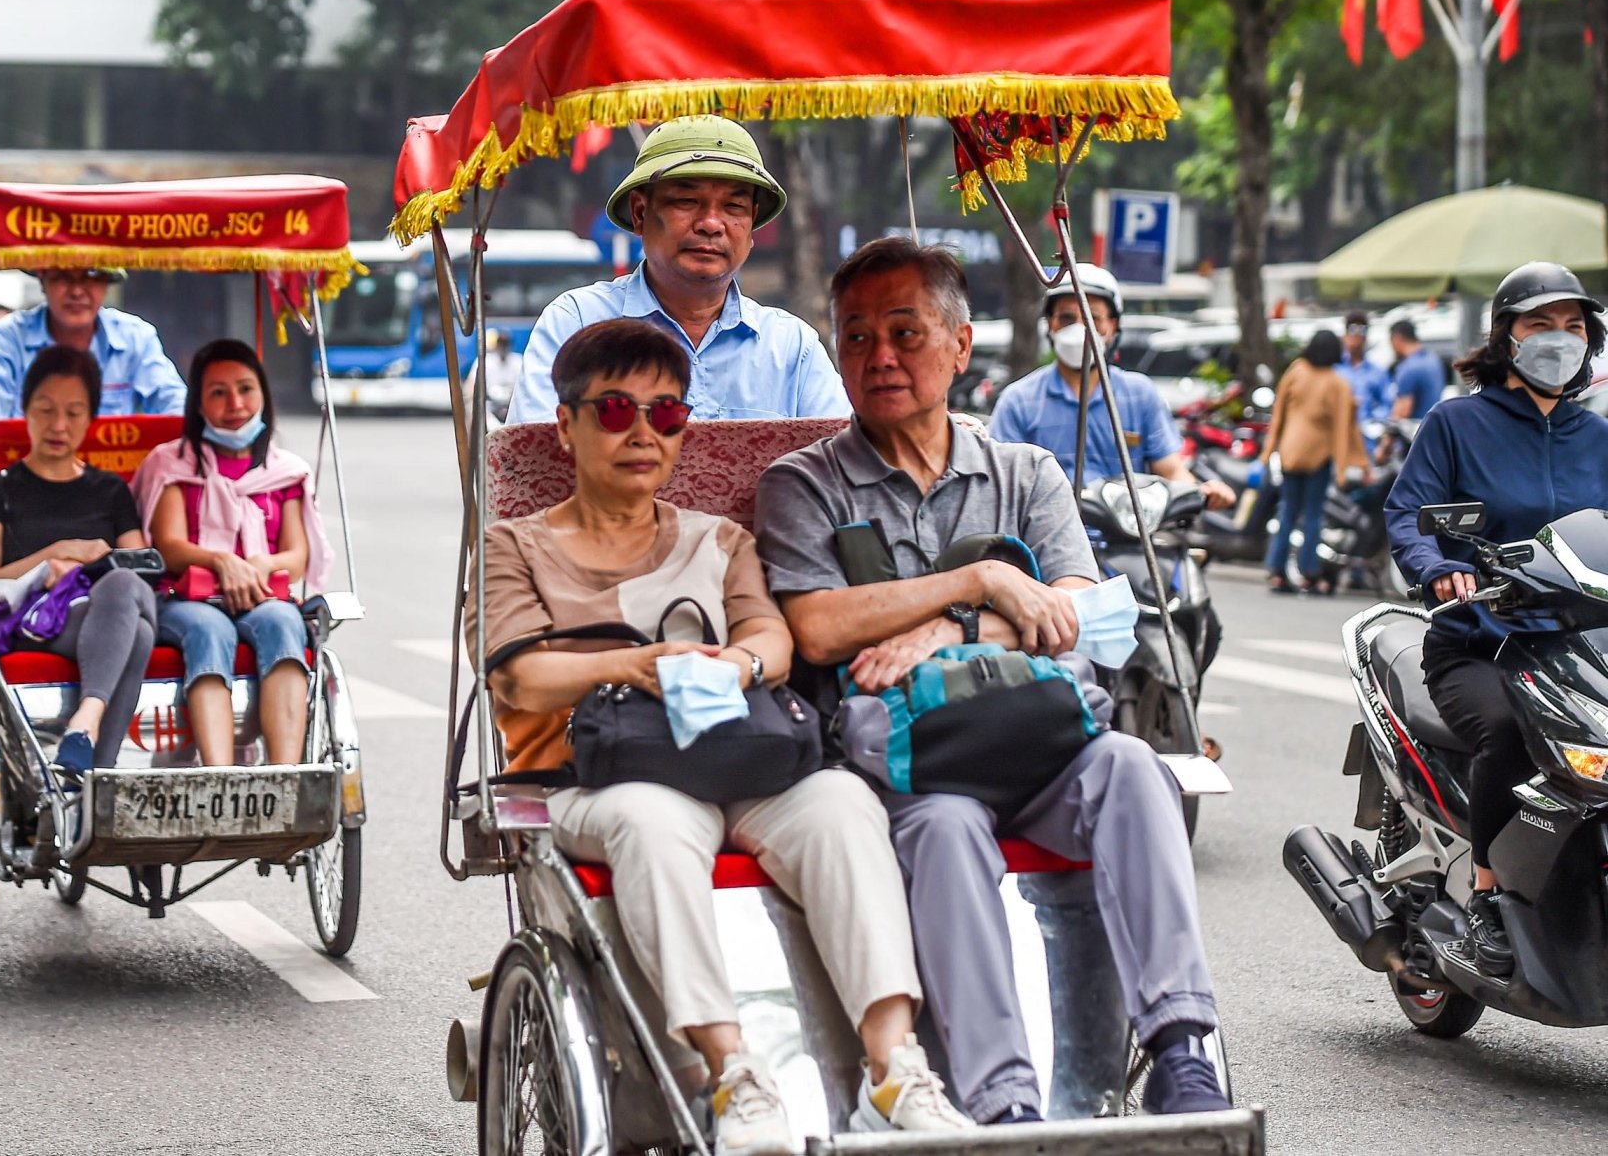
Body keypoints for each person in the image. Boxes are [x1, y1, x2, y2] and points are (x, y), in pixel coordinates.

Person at [754, 238, 1228, 1123]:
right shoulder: (805, 484)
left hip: (1046, 744)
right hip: (913, 765)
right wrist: (984, 580)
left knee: (1135, 766)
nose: (880, 356)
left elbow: (1083, 612)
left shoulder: (1024, 473)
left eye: (906, 331)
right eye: (856, 338)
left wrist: (948, 624)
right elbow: (819, 627)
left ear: (961, 346)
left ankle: (1179, 1048)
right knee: (943, 830)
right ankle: (1001, 1098)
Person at [478, 318, 970, 1148]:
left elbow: (772, 639)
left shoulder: (719, 538)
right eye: (616, 411)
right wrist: (633, 669)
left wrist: (733, 665)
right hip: (589, 778)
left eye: (667, 416)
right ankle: (731, 1075)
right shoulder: (514, 545)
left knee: (844, 804)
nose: (644, 433)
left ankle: (894, 1068)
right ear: (565, 424)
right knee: (654, 821)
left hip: (741, 761)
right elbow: (516, 674)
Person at [1386, 261, 1608, 979]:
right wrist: (1438, 568)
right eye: (1541, 324)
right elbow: (1407, 513)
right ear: (1506, 337)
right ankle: (1486, 893)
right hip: (1480, 644)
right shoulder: (1458, 422)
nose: (1559, 339)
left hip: (1581, 647)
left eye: (1573, 326)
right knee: (1514, 736)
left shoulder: (1595, 434)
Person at [507, 116, 849, 424]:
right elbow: (534, 468)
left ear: (751, 228)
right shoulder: (576, 323)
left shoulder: (791, 347)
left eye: (734, 206)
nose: (711, 224)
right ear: (640, 213)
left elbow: (839, 473)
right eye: (686, 202)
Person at [133, 340, 333, 769]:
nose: (235, 403)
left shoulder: (286, 472)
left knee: (283, 622)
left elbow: (295, 555)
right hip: (185, 600)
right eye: (218, 392)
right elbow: (168, 546)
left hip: (260, 597)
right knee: (210, 630)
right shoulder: (170, 463)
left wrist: (261, 566)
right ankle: (221, 774)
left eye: (245, 389)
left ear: (263, 395)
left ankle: (285, 775)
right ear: (199, 404)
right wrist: (222, 562)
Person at [0, 346, 158, 776]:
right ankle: (98, 772)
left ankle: (82, 758)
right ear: (25, 410)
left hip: (107, 610)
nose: (58, 425)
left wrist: (93, 564)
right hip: (33, 621)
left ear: (90, 418)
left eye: (74, 412)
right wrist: (54, 554)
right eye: (46, 409)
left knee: (129, 599)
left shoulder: (110, 490)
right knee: (136, 627)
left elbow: (139, 564)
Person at [990, 262, 1234, 508]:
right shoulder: (1019, 401)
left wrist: (1202, 492)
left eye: (1092, 318)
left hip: (1129, 533)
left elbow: (1171, 471)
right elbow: (1001, 482)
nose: (1079, 328)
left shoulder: (1139, 395)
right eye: (1066, 318)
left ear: (1113, 326)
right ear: (1050, 324)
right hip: (1043, 539)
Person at [0, 267, 186, 447]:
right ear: (42, 280)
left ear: (107, 283)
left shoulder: (135, 336)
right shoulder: (6, 337)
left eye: (91, 275)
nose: (77, 291)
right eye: (62, 276)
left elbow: (175, 407)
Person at [1258, 330, 1366, 595]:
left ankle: (1276, 570)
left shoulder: (1296, 371)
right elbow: (1344, 429)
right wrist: (1348, 467)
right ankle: (1309, 573)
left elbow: (1278, 414)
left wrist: (1268, 450)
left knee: (1287, 511)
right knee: (1313, 515)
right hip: (1317, 456)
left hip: (1289, 453)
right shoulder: (1337, 383)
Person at [1339, 310, 1393, 428]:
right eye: (1352, 329)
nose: (1357, 336)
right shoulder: (1335, 370)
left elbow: (1387, 405)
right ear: (1345, 335)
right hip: (1339, 436)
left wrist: (1373, 421)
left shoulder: (1378, 373)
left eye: (1362, 330)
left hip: (1367, 441)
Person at [1388, 318, 1446, 421]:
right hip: (1434, 425)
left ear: (1397, 338)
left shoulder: (1408, 368)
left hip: (1414, 431)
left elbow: (1403, 411)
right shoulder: (1433, 360)